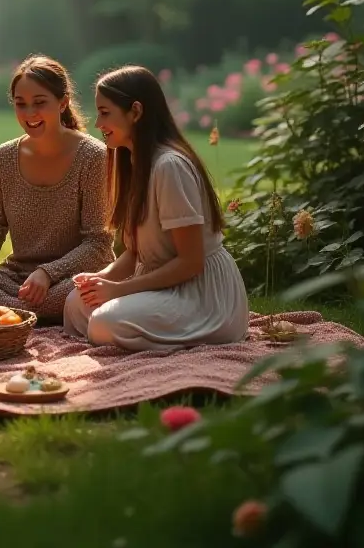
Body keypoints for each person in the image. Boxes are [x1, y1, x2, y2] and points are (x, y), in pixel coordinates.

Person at [63, 65, 249, 351]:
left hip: (200, 295)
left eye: (105, 112)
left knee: (103, 323)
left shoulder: (170, 167)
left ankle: (177, 338)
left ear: (135, 112)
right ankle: (139, 331)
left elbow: (191, 262)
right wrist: (103, 278)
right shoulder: (133, 163)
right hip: (159, 285)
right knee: (76, 305)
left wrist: (119, 289)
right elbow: (137, 252)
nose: (98, 123)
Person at [0, 56, 113, 323]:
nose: (29, 114)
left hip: (71, 277)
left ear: (63, 102)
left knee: (82, 289)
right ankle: (28, 312)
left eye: (39, 103)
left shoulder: (94, 157)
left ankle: (12, 313)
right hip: (18, 279)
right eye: (20, 104)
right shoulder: (4, 158)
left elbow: (98, 244)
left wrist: (48, 273)